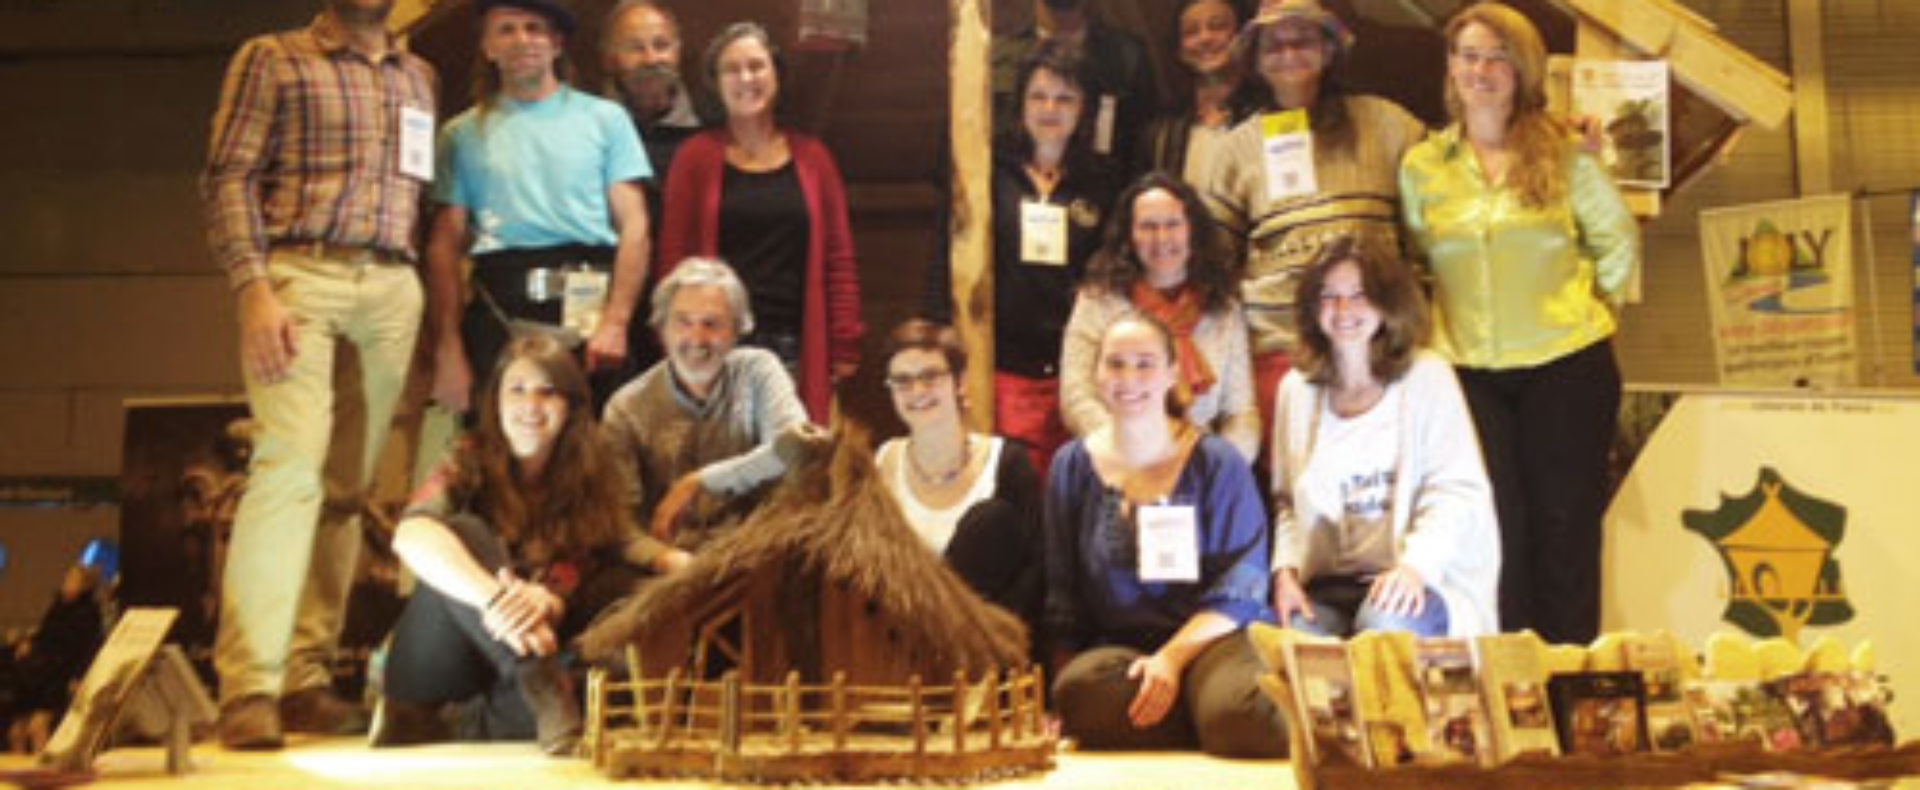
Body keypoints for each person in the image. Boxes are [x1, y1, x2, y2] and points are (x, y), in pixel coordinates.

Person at [200, 0, 436, 749]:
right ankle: (250, 685)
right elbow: (228, 177)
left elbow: (418, 189)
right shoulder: (272, 57)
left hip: (392, 285)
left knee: (346, 489)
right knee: (289, 469)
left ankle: (304, 678)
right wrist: (253, 289)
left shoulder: (419, 75)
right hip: (302, 272)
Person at [1398, 1, 1636, 645]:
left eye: (1498, 55)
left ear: (1523, 68)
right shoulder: (1424, 164)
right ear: (1451, 67)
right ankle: (1513, 692)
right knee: (1493, 533)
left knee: (1566, 529)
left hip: (1566, 365)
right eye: (1468, 54)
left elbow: (1616, 242)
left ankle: (1571, 687)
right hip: (1468, 373)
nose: (1482, 68)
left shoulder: (1562, 152)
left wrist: (1589, 311)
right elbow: (1418, 254)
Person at [377, 334, 672, 754]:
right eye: (516, 389)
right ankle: (539, 685)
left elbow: (612, 547)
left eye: (546, 392)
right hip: (438, 665)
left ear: (569, 406)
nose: (530, 405)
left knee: (602, 671)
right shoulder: (467, 457)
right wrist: (497, 599)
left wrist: (543, 600)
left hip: (521, 660)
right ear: (495, 401)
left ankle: (466, 721)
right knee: (463, 531)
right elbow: (410, 534)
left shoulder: (589, 481)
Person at [1045, 316, 1284, 757]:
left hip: (1212, 639)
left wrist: (1172, 661)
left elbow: (1242, 588)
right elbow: (1063, 591)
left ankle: (1204, 707)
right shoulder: (1071, 465)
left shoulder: (1216, 461)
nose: (1129, 378)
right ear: (1096, 374)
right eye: (1115, 364)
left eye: (1145, 364)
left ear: (1172, 372)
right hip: (1123, 653)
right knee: (1078, 694)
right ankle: (1201, 714)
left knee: (1244, 719)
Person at [1200, 0, 1425, 438]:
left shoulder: (1387, 124)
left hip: (1379, 346)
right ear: (1256, 61)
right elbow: (1216, 266)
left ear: (1328, 50)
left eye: (1301, 39)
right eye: (1274, 44)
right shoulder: (1235, 150)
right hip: (1280, 351)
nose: (1288, 53)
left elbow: (1448, 182)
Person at [426, 0, 652, 414]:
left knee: (593, 454)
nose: (521, 40)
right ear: (487, 46)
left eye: (534, 28)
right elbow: (444, 245)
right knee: (502, 456)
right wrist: (449, 347)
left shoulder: (606, 119)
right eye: (506, 30)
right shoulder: (459, 135)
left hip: (591, 306)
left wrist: (616, 322)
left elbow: (635, 225)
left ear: (557, 43)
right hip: (500, 305)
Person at [1267, 239, 1500, 639]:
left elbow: (1456, 493)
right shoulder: (1297, 389)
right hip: (1328, 584)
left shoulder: (1429, 377)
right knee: (1291, 643)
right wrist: (1284, 574)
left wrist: (1415, 567)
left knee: (1384, 629)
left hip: (1421, 576)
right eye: (1329, 297)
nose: (1344, 311)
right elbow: (1287, 503)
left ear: (1386, 304)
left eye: (1359, 295)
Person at [924, 42, 1121, 478]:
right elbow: (946, 252)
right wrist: (939, 338)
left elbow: (1113, 280)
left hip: (1076, 372)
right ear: (1021, 104)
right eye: (1039, 96)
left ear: (1083, 108)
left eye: (1065, 98)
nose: (1051, 108)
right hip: (1000, 365)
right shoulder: (987, 171)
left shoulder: (1102, 183)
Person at [655, 22, 864, 422]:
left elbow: (838, 258)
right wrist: (673, 337)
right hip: (715, 347)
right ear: (715, 83)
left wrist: (843, 344)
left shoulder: (813, 158)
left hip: (795, 345)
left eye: (756, 66)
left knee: (794, 470)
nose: (746, 78)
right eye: (732, 69)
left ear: (776, 75)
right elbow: (672, 262)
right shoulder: (694, 157)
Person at [601, 257, 824, 554]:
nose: (697, 338)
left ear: (737, 329)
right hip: (666, 563)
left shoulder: (759, 371)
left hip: (755, 553)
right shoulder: (627, 407)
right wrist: (664, 560)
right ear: (661, 329)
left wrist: (700, 482)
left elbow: (797, 449)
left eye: (712, 323)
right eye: (683, 321)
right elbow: (619, 520)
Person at [1061, 172, 1258, 463]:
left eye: (1173, 224)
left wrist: (1217, 470)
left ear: (1192, 229)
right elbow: (1076, 398)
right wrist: (1135, 454)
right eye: (1148, 227)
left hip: (1199, 465)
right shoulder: (1097, 301)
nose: (1162, 238)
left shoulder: (1223, 308)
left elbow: (1242, 411)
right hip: (1117, 462)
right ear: (1130, 235)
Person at [873, 320, 1044, 636]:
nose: (917, 391)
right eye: (902, 381)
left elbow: (1033, 577)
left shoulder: (1008, 463)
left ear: (959, 381)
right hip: (901, 644)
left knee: (988, 522)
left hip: (985, 651)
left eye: (930, 376)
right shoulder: (883, 461)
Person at [992, 0, 1158, 171]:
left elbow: (1141, 150)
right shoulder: (995, 62)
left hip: (1104, 191)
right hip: (1013, 189)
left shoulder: (1128, 58)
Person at [1136, 0, 1253, 186]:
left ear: (1242, 35)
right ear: (1180, 50)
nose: (1205, 38)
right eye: (1191, 32)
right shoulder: (1164, 131)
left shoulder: (1266, 111)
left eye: (1217, 26)